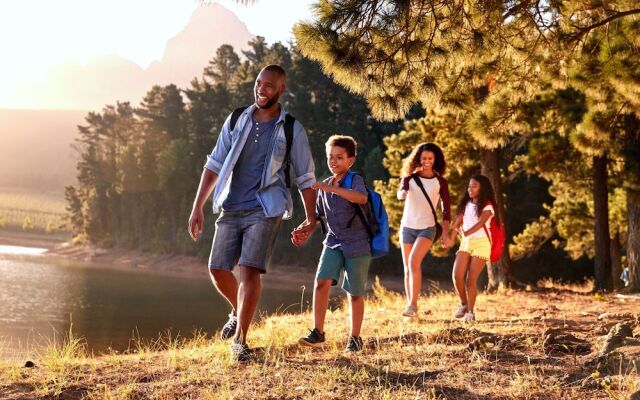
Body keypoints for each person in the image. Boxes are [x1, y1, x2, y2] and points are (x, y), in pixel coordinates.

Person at [187, 65, 317, 362]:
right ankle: (238, 311)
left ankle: (240, 340)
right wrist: (198, 207)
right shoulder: (236, 118)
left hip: (266, 208)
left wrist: (311, 218)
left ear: (282, 89)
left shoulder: (291, 128)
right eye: (259, 83)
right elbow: (214, 164)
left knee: (249, 269)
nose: (262, 89)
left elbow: (305, 177)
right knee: (218, 269)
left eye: (270, 85)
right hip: (231, 205)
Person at [295, 135, 371, 353]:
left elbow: (361, 198)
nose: (334, 162)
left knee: (354, 293)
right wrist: (304, 229)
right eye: (330, 157)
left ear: (351, 160)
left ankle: (355, 338)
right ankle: (318, 332)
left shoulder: (354, 180)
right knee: (321, 282)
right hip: (334, 241)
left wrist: (332, 190)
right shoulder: (325, 185)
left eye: (339, 157)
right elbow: (317, 216)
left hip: (357, 244)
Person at [397, 143, 451, 317]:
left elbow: (446, 209)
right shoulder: (410, 179)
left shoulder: (440, 182)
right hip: (407, 227)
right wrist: (401, 195)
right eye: (424, 158)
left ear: (435, 160)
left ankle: (413, 306)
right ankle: (409, 306)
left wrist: (445, 231)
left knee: (414, 262)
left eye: (430, 158)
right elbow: (402, 191)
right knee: (407, 268)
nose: (427, 161)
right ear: (418, 159)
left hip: (427, 228)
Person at [450, 174, 497, 322]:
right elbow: (458, 221)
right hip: (466, 243)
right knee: (457, 275)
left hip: (482, 243)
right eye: (469, 186)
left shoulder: (488, 206)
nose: (470, 189)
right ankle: (463, 303)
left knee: (471, 279)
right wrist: (451, 236)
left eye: (474, 186)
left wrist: (466, 232)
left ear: (482, 188)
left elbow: (481, 223)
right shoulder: (467, 204)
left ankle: (470, 313)